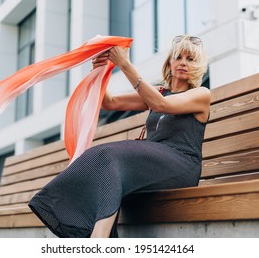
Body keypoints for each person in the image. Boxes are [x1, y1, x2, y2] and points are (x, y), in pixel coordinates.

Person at [28, 35, 211, 238]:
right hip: (152, 165)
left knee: (109, 155)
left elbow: (161, 105)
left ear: (198, 66)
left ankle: (99, 240)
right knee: (101, 158)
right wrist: (99, 70)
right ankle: (99, 236)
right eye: (178, 57)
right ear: (170, 62)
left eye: (190, 59)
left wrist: (124, 63)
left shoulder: (201, 94)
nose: (183, 63)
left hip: (181, 165)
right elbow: (111, 102)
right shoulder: (159, 92)